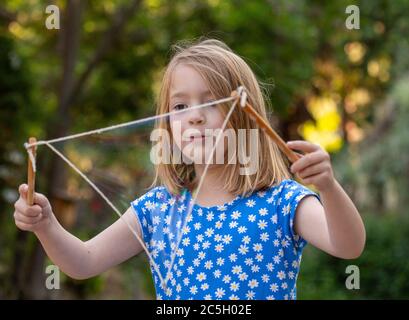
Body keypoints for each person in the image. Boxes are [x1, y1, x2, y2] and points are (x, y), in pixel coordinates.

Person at [13, 38, 365, 300]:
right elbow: (84, 262)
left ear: (247, 117)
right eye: (180, 105)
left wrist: (329, 188)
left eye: (211, 102)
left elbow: (347, 245)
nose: (194, 115)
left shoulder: (282, 202)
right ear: (167, 124)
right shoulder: (158, 208)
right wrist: (46, 226)